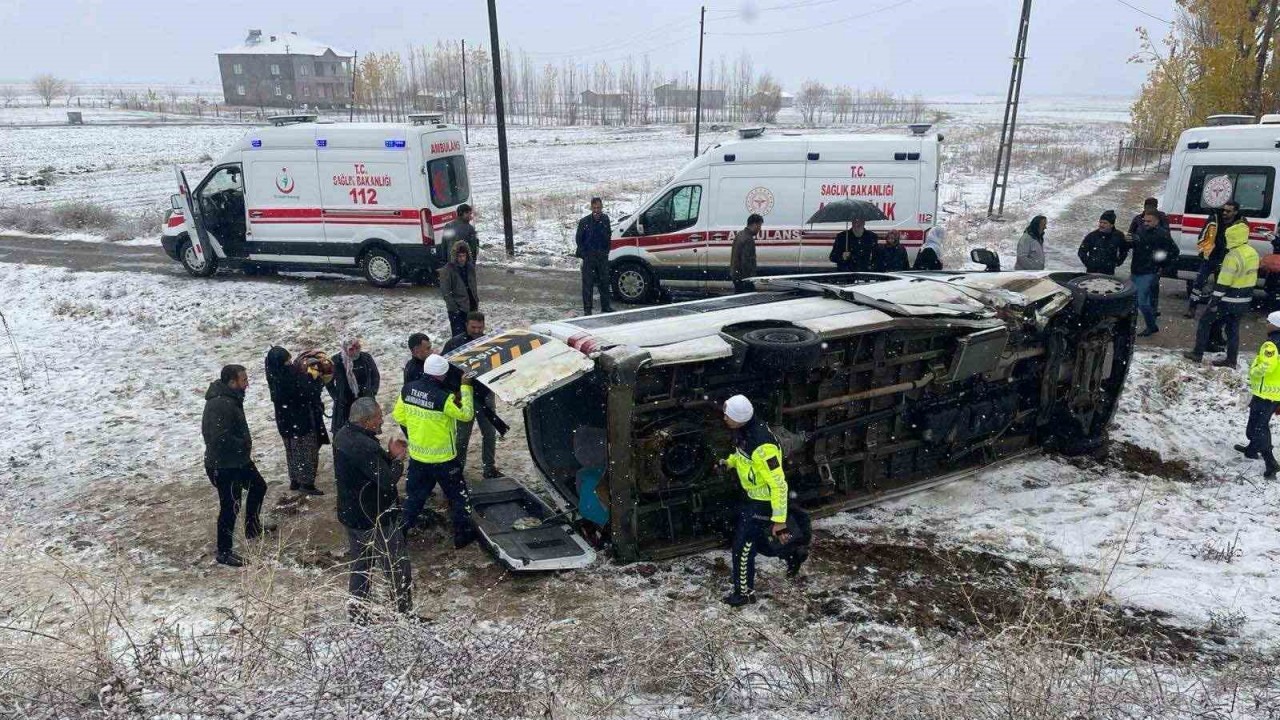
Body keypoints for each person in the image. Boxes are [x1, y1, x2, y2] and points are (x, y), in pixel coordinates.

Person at [334, 396, 414, 619]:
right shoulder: (364, 445)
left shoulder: (343, 435)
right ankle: (405, 615)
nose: (381, 421)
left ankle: (358, 615)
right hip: (375, 515)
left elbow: (366, 470)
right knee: (397, 565)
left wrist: (386, 456)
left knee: (361, 566)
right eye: (378, 417)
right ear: (367, 421)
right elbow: (386, 480)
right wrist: (397, 459)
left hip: (352, 514)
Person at [393, 354, 478, 547]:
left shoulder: (407, 390)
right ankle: (462, 537)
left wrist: (418, 430)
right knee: (458, 497)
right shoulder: (444, 397)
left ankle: (398, 536)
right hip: (444, 459)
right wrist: (466, 387)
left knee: (414, 499)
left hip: (418, 458)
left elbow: (399, 415)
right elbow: (466, 415)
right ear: (443, 374)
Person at [720, 395, 791, 607]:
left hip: (762, 502)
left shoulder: (762, 446)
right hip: (751, 497)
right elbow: (743, 457)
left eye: (728, 415)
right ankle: (790, 551)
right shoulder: (744, 431)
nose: (724, 418)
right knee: (753, 543)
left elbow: (779, 485)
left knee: (742, 548)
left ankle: (744, 594)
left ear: (739, 418)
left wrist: (779, 520)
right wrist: (730, 463)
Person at [202, 364, 270, 567]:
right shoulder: (220, 404)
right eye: (244, 380)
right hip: (224, 466)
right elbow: (218, 437)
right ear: (232, 382)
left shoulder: (230, 399)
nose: (247, 384)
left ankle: (252, 527)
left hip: (237, 461)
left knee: (259, 486)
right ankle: (224, 552)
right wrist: (243, 444)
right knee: (230, 506)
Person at [1184, 219, 1257, 367]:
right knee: (1233, 329)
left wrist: (1214, 302)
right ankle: (1231, 359)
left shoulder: (1232, 256)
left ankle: (1198, 353)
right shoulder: (1252, 253)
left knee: (1205, 321)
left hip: (1228, 299)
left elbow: (1223, 283)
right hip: (1244, 298)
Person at [444, 311, 505, 479]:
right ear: (466, 325)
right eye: (473, 327)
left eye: (480, 327)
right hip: (463, 396)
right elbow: (445, 371)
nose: (477, 330)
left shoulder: (490, 343)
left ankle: (489, 468)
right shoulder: (454, 344)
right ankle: (458, 469)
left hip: (485, 395)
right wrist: (455, 391)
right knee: (462, 437)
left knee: (490, 434)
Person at [265, 347, 330, 496]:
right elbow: (309, 392)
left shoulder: (273, 375)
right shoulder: (291, 375)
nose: (290, 362)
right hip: (301, 420)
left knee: (292, 451)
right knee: (307, 451)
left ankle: (295, 479)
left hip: (284, 421)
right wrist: (316, 380)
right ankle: (306, 483)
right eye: (287, 360)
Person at [1236, 311, 1280, 478]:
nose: (1266, 324)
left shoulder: (1271, 345)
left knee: (1258, 427)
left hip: (1265, 393)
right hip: (1276, 394)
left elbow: (1266, 367)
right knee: (1258, 423)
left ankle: (1271, 462)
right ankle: (1252, 450)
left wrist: (1254, 371)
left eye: (1268, 322)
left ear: (1276, 325)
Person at [1186, 202, 1245, 317]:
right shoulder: (1214, 218)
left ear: (1235, 212)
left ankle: (1216, 309)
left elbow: (1242, 240)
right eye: (1224, 210)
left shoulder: (1240, 223)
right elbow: (1203, 235)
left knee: (1221, 286)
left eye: (1228, 211)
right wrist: (1203, 251)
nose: (1225, 213)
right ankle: (1192, 308)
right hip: (1211, 255)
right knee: (1199, 283)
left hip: (1227, 258)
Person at [1129, 210, 1180, 337]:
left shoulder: (1162, 235)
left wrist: (1162, 266)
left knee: (1142, 301)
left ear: (1157, 221)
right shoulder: (1140, 231)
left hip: (1149, 272)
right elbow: (1136, 246)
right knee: (1133, 300)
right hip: (1136, 269)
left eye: (1149, 221)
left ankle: (1151, 326)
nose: (1145, 223)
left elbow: (1174, 251)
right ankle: (1136, 325)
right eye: (1144, 221)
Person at [327, 338, 380, 434]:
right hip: (345, 404)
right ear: (344, 349)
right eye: (351, 349)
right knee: (345, 432)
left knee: (367, 428)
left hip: (365, 400)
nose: (355, 351)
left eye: (357, 348)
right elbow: (328, 382)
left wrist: (372, 391)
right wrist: (337, 397)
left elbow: (375, 376)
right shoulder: (336, 361)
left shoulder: (366, 358)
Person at [1130, 198, 1169, 316]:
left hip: (1155, 259)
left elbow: (1167, 237)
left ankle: (1152, 309)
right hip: (1139, 258)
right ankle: (1136, 309)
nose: (1151, 209)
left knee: (1153, 286)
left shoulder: (1161, 219)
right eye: (1149, 207)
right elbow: (1130, 235)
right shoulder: (1137, 219)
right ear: (1144, 207)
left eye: (1154, 207)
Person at [576, 197, 613, 315]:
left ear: (602, 207)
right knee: (588, 284)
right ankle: (587, 310)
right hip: (589, 257)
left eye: (599, 208)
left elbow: (608, 236)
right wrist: (584, 254)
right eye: (594, 208)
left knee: (604, 282)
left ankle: (606, 307)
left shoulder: (605, 219)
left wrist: (606, 251)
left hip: (602, 256)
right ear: (591, 208)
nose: (597, 210)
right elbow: (579, 239)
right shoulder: (584, 222)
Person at [440, 241, 479, 338]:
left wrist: (475, 300)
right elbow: (446, 292)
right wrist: (454, 309)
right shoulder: (448, 270)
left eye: (464, 256)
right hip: (457, 310)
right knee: (459, 337)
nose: (462, 259)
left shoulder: (469, 267)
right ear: (455, 256)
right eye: (459, 256)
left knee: (473, 335)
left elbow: (473, 285)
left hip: (471, 306)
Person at [1077, 210, 1129, 275]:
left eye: (1105, 223)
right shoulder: (1092, 236)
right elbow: (1081, 252)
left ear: (1111, 225)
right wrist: (1089, 263)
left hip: (1108, 273)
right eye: (1100, 222)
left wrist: (1117, 263)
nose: (1101, 225)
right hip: (1092, 272)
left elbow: (1124, 251)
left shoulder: (1119, 236)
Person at [730, 214, 762, 293]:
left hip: (737, 275)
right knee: (748, 299)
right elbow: (747, 261)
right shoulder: (748, 239)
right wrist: (749, 278)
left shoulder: (740, 235)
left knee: (739, 298)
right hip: (744, 278)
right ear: (754, 224)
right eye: (759, 226)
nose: (759, 229)